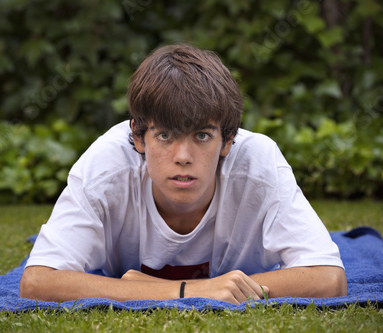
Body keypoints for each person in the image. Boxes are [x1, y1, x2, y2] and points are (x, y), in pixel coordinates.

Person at [19, 44, 347, 305]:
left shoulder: (257, 162)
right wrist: (190, 292)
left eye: (202, 136)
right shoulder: (106, 165)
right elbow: (37, 281)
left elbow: (330, 279)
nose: (183, 157)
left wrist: (162, 289)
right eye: (165, 136)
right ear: (138, 137)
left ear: (228, 140)